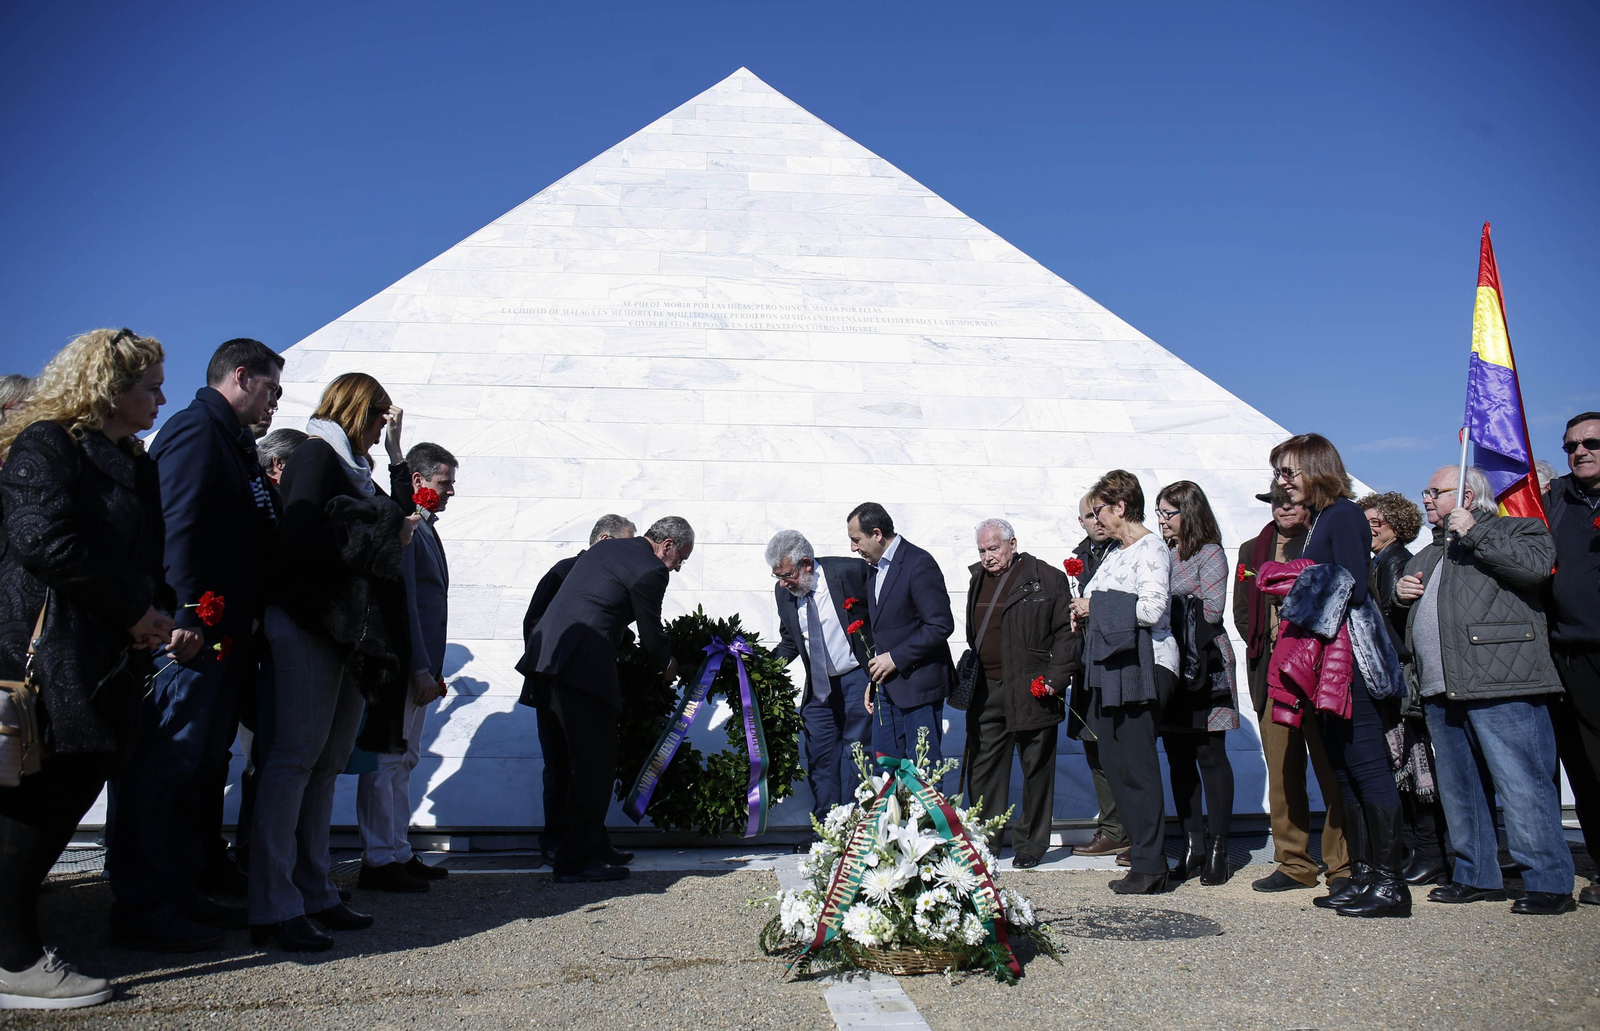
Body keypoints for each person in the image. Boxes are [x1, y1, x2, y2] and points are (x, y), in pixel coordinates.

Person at [0, 328, 175, 1008]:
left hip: (103, 657)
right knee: (32, 803)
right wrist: (134, 606)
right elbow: (42, 537)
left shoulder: (134, 460)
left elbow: (144, 555)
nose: (161, 396)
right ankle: (13, 960)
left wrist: (157, 610)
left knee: (62, 795)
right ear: (109, 386)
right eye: (149, 384)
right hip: (49, 654)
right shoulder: (49, 442)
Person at [108, 338, 283, 950]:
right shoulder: (195, 431)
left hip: (221, 634)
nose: (275, 403)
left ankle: (181, 893)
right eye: (271, 389)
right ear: (241, 376)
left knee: (199, 768)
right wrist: (182, 614)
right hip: (190, 636)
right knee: (164, 767)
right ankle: (143, 904)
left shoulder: (228, 440)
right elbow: (176, 524)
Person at [250, 372, 418, 951]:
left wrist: (397, 454)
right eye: (378, 422)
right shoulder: (317, 457)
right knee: (295, 759)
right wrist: (372, 537)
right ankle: (274, 901)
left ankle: (314, 889)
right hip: (310, 620)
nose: (379, 433)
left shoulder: (354, 465)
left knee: (326, 763)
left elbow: (397, 521)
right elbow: (299, 540)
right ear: (357, 410)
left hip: (345, 629)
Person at [1393, 465, 1574, 915]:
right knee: (1460, 789)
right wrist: (1400, 595)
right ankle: (1476, 875)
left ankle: (1548, 882)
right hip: (1441, 689)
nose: (1427, 500)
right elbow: (1411, 619)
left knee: (1523, 785)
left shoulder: (1521, 529)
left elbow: (1534, 572)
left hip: (1503, 683)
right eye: (1426, 491)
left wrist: (1476, 534)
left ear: (1469, 498)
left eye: (1436, 492)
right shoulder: (1430, 553)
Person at [1268, 433, 1408, 917]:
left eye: (1289, 472)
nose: (1282, 483)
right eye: (1279, 474)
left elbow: (1351, 585)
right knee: (1344, 769)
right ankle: (1362, 874)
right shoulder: (1322, 519)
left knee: (1367, 766)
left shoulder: (1344, 514)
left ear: (1316, 468)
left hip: (1350, 659)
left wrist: (1294, 586)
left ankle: (1391, 884)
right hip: (1327, 661)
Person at [517, 517, 691, 883]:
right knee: (594, 763)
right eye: (681, 559)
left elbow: (596, 603)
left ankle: (593, 845)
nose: (677, 567)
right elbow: (650, 630)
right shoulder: (651, 570)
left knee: (570, 761)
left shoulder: (609, 548)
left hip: (547, 662)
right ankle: (575, 861)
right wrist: (667, 663)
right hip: (580, 668)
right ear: (668, 546)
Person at [1235, 488, 1351, 894]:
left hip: (1318, 670)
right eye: (1276, 500)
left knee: (1332, 768)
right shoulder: (1253, 548)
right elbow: (1242, 610)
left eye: (1291, 499)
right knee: (1284, 771)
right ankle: (1294, 862)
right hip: (1273, 673)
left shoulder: (1323, 540)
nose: (1282, 506)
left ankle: (1343, 865)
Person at [356, 442, 457, 892]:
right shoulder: (407, 527)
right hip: (402, 664)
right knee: (388, 760)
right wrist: (419, 665)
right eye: (444, 482)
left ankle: (396, 849)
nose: (451, 491)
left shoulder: (426, 529)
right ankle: (379, 858)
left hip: (420, 666)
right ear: (418, 483)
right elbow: (408, 603)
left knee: (405, 761)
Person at [1070, 470, 1175, 894]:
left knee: (1137, 767)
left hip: (1143, 667)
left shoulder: (1151, 547)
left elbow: (1152, 609)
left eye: (1099, 511)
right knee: (1116, 765)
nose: (1095, 521)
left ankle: (1152, 865)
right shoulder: (1114, 552)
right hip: (1111, 669)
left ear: (1121, 507)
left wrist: (1093, 606)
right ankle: (1140, 856)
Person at [518, 514, 637, 867]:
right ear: (603, 541)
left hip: (586, 685)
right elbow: (537, 625)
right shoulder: (564, 571)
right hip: (556, 684)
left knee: (590, 768)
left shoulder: (610, 577)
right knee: (561, 765)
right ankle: (556, 839)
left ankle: (591, 841)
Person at [961, 519, 1076, 868]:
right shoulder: (977, 579)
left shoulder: (1048, 577)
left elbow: (1066, 634)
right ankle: (985, 840)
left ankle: (1031, 844)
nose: (987, 557)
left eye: (993, 548)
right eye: (982, 550)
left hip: (1033, 688)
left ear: (1012, 543)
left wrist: (1058, 677)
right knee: (985, 768)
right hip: (987, 688)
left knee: (1036, 767)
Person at [1359, 490, 1448, 887]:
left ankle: (1428, 852)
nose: (1368, 528)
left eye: (1374, 522)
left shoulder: (1394, 562)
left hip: (1400, 681)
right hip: (1398, 679)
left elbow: (1394, 623)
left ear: (1392, 526)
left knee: (1413, 767)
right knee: (1405, 770)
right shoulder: (1381, 560)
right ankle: (1419, 850)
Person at [766, 529, 873, 846]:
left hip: (857, 678)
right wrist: (762, 668)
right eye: (778, 576)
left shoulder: (850, 572)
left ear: (807, 564)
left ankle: (859, 831)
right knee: (820, 758)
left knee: (859, 756)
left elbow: (885, 613)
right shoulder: (782, 592)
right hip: (819, 688)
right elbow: (790, 640)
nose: (784, 583)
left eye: (788, 575)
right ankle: (827, 831)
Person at [1155, 481, 1238, 885]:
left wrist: (1161, 607)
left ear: (1189, 513)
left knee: (1210, 754)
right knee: (1178, 758)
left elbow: (1212, 608)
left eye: (1167, 513)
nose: (1161, 521)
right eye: (1159, 514)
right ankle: (1193, 845)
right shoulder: (1163, 555)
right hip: (1171, 662)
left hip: (1205, 664)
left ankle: (1220, 847)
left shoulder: (1211, 553)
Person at [847, 502, 955, 762]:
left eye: (856, 540)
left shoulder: (918, 563)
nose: (853, 548)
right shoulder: (875, 568)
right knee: (886, 766)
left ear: (876, 533)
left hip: (919, 687)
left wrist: (894, 658)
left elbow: (940, 625)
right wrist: (874, 679)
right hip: (887, 689)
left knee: (922, 768)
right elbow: (885, 628)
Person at [1545, 413, 1600, 907]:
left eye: (1591, 443)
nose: (1580, 452)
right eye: (1571, 446)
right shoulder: (1557, 498)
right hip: (1566, 653)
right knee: (1582, 766)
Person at [1066, 494, 1128, 861]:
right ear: (1082, 521)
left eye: (1101, 513)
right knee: (1095, 748)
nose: (1097, 521)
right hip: (1088, 664)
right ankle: (1114, 829)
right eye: (1089, 516)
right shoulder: (1081, 556)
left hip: (1120, 662)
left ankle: (1131, 830)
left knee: (1125, 749)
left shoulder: (1127, 550)